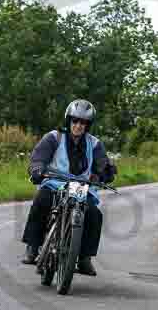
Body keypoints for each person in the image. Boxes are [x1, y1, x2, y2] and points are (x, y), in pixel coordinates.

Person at [20, 99, 117, 276]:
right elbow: (38, 158)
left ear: (88, 125)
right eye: (76, 121)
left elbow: (103, 165)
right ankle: (32, 247)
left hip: (80, 187)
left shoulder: (95, 144)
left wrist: (105, 173)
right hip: (55, 183)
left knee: (94, 214)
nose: (79, 126)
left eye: (84, 123)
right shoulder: (53, 137)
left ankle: (85, 258)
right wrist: (37, 169)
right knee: (41, 200)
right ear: (68, 120)